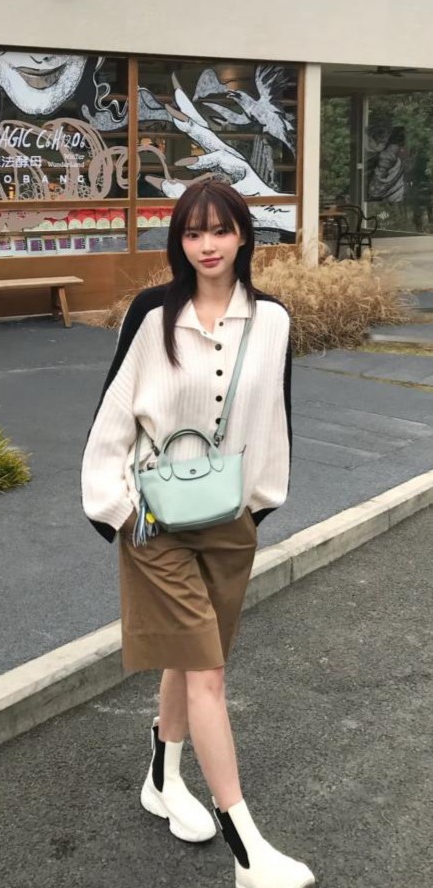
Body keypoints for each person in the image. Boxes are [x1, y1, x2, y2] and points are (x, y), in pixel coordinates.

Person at [81, 179, 315, 888]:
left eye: (219, 230)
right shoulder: (152, 314)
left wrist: (258, 509)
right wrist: (119, 510)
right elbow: (113, 413)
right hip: (155, 523)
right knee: (208, 672)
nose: (206, 245)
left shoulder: (272, 321)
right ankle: (248, 851)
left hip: (229, 522)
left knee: (192, 660)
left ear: (244, 235)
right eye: (191, 232)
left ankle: (162, 776)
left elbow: (275, 419)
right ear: (178, 241)